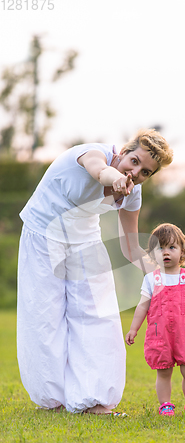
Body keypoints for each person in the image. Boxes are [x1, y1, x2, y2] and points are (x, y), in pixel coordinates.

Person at [17, 129, 173, 414]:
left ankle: (95, 400)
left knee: (99, 313)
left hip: (84, 239)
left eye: (146, 172)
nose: (136, 172)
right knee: (45, 315)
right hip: (42, 234)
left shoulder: (133, 193)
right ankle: (52, 400)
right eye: (134, 161)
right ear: (123, 151)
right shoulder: (92, 153)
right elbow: (101, 172)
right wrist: (118, 179)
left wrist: (159, 276)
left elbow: (130, 247)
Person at [125, 223, 185, 416]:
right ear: (152, 254)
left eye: (171, 247)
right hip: (160, 334)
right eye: (160, 248)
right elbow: (142, 306)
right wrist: (133, 329)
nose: (166, 252)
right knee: (163, 370)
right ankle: (165, 405)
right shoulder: (151, 279)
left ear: (182, 251)